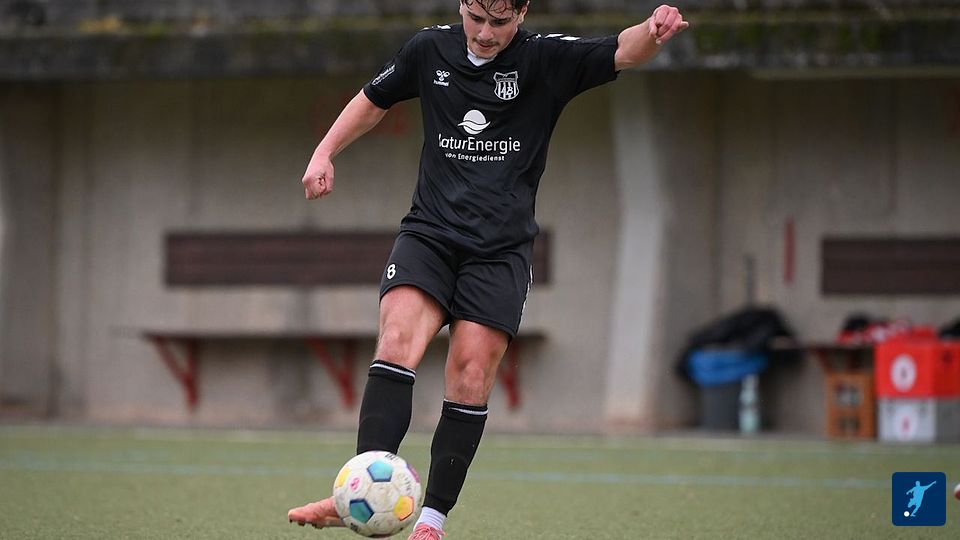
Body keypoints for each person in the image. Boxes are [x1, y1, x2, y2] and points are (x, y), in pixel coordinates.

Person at [288, 1, 688, 538]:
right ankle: (359, 490)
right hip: (429, 234)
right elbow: (374, 99)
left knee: (471, 374)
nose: (484, 33)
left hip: (500, 251)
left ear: (522, 12)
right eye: (476, 17)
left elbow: (622, 50)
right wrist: (324, 152)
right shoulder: (429, 48)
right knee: (397, 338)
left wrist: (653, 30)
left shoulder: (544, 59)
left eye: (499, 22)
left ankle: (431, 522)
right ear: (462, 5)